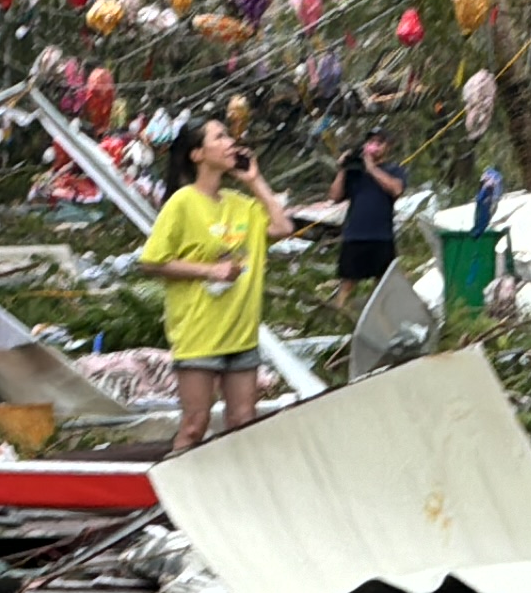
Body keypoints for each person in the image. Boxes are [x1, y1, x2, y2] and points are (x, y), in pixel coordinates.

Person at [137, 117, 292, 453]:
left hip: (240, 333)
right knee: (195, 426)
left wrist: (254, 180)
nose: (230, 142)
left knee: (244, 422)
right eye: (219, 137)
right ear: (197, 154)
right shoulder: (182, 203)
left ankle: (234, 497)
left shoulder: (241, 204)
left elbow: (282, 228)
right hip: (200, 335)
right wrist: (209, 271)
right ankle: (172, 498)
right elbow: (152, 261)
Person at [329, 129, 406, 306]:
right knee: (347, 281)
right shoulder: (355, 172)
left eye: (379, 143)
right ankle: (339, 314)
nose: (374, 147)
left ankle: (377, 314)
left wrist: (371, 168)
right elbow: (334, 196)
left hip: (382, 236)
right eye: (371, 142)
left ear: (387, 147)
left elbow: (396, 189)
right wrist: (343, 169)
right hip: (355, 235)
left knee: (382, 283)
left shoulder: (394, 169)